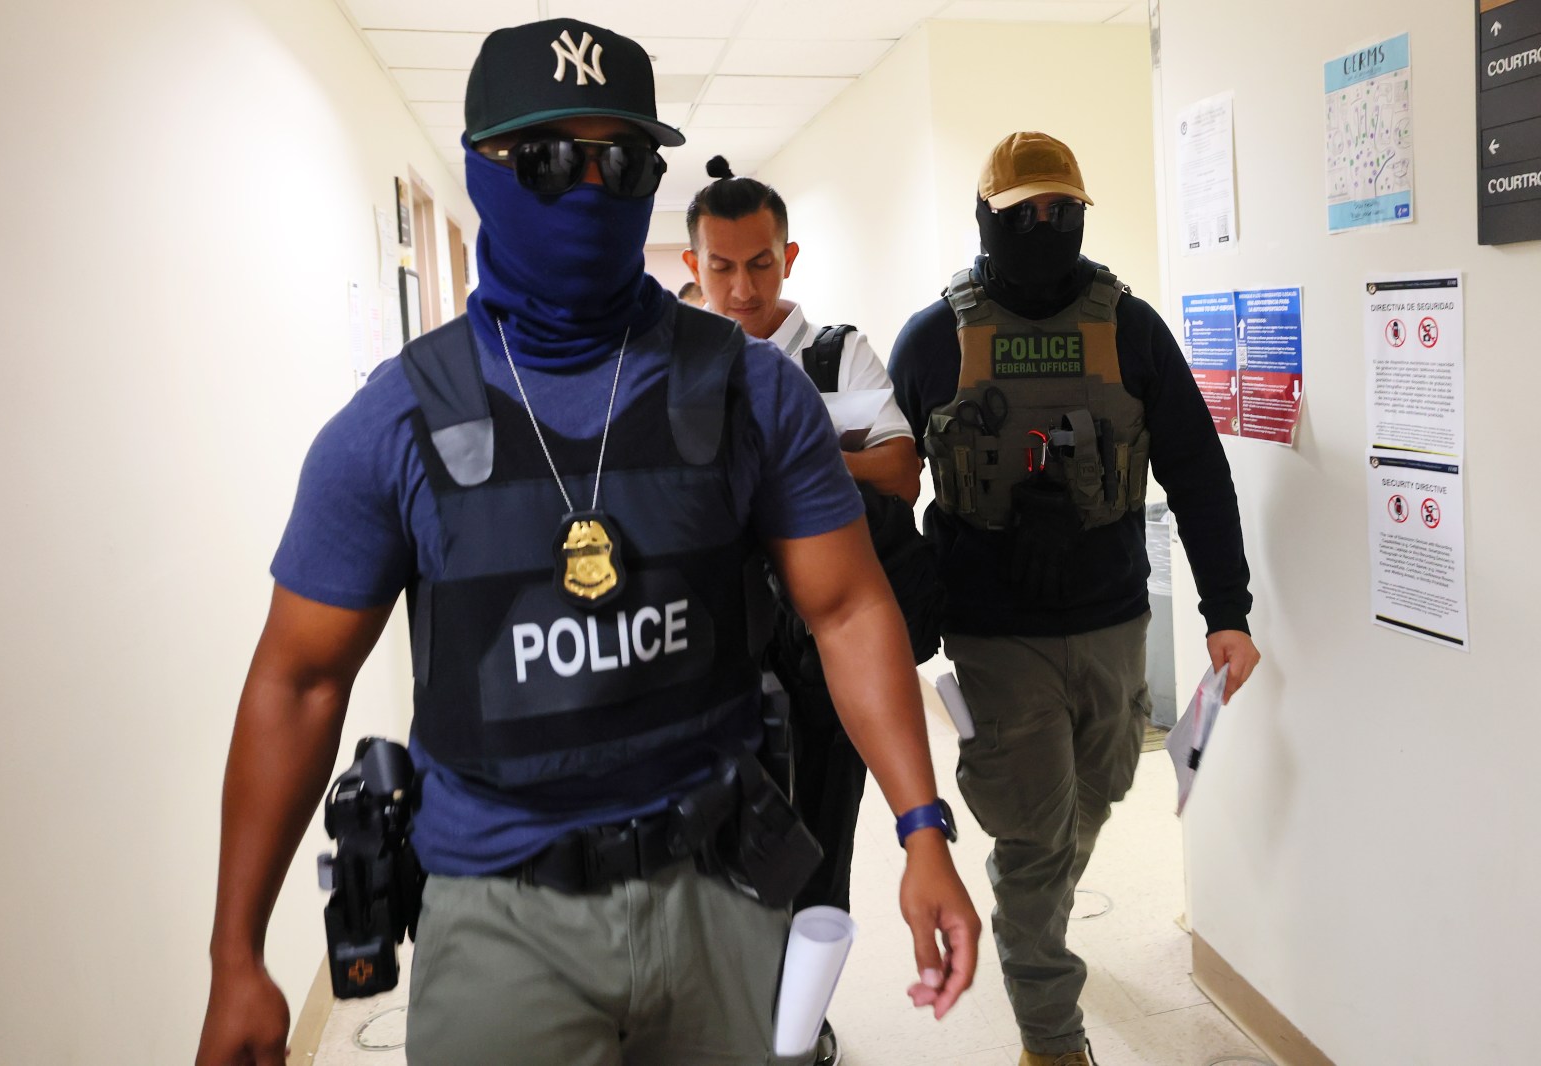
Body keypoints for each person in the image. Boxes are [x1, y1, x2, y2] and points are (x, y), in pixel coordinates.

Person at [195, 18, 978, 1066]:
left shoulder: (750, 388)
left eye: (621, 161)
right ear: (482, 168)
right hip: (501, 914)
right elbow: (297, 681)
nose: (588, 187)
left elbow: (846, 607)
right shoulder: (398, 422)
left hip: (715, 888)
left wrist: (921, 827)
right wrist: (237, 955)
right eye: (550, 158)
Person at [887, 131, 1261, 1066]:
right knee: (1033, 835)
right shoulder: (936, 339)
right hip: (993, 633)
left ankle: (1033, 900)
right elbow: (889, 493)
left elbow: (1197, 470)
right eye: (1025, 216)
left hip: (1113, 623)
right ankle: (1052, 1039)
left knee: (1097, 797)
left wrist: (1228, 610)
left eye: (1063, 212)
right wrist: (903, 613)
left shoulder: (1129, 328)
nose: (1046, 228)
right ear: (987, 222)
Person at [683, 158, 942, 1066]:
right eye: (723, 267)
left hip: (825, 650)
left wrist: (776, 458)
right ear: (694, 264)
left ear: (787, 256)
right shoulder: (674, 365)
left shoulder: (837, 354)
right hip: (714, 652)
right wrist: (832, 447)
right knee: (716, 850)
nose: (743, 287)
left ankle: (801, 1025)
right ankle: (735, 1017)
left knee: (822, 846)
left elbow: (902, 468)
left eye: (760, 263)